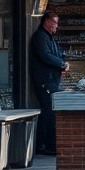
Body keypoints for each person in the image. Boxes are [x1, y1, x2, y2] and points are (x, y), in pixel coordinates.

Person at [29, 11, 68, 156]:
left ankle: (49, 144)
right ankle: (44, 144)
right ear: (46, 22)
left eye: (57, 24)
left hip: (51, 80)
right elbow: (45, 56)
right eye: (54, 23)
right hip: (45, 81)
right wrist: (61, 64)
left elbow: (58, 53)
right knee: (48, 111)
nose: (56, 27)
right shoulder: (40, 37)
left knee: (51, 111)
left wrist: (63, 61)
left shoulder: (49, 37)